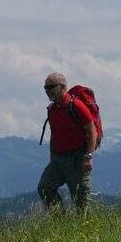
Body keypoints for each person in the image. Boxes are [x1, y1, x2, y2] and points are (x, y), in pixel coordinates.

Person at [37, 72, 97, 213]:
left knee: (80, 200)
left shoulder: (76, 106)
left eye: (51, 87)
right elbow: (54, 135)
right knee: (44, 188)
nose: (47, 91)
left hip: (77, 158)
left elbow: (92, 131)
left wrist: (88, 157)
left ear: (63, 87)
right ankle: (61, 221)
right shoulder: (52, 110)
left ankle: (84, 230)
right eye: (45, 88)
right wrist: (52, 159)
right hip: (58, 159)